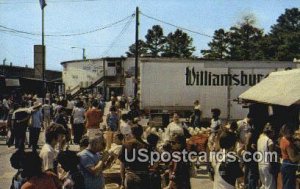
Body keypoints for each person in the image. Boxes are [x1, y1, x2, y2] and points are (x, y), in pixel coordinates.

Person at [119, 124, 150, 189]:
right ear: (142, 133)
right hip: (144, 178)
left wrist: (122, 180)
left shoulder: (126, 145)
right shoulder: (147, 146)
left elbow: (122, 164)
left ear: (132, 133)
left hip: (131, 177)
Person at [280, 124, 300, 189]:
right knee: (289, 186)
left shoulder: (282, 139)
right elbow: (293, 159)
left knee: (286, 185)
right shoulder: (288, 143)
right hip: (289, 166)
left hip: (285, 164)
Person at [257, 123, 276, 189]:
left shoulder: (259, 139)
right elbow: (271, 154)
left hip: (260, 164)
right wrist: (273, 162)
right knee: (270, 186)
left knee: (264, 185)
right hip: (267, 165)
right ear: (270, 132)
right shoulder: (269, 141)